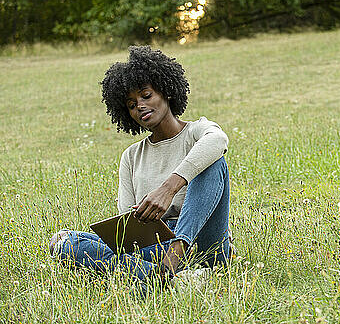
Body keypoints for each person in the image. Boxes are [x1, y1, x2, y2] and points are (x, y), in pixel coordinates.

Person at [48, 45, 232, 288]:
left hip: (202, 240)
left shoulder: (197, 132)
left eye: (146, 95)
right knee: (64, 242)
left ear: (166, 91)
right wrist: (140, 218)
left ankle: (169, 265)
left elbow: (218, 141)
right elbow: (127, 230)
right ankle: (173, 282)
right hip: (157, 243)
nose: (140, 106)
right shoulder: (131, 156)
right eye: (132, 104)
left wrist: (168, 189)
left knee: (213, 162)